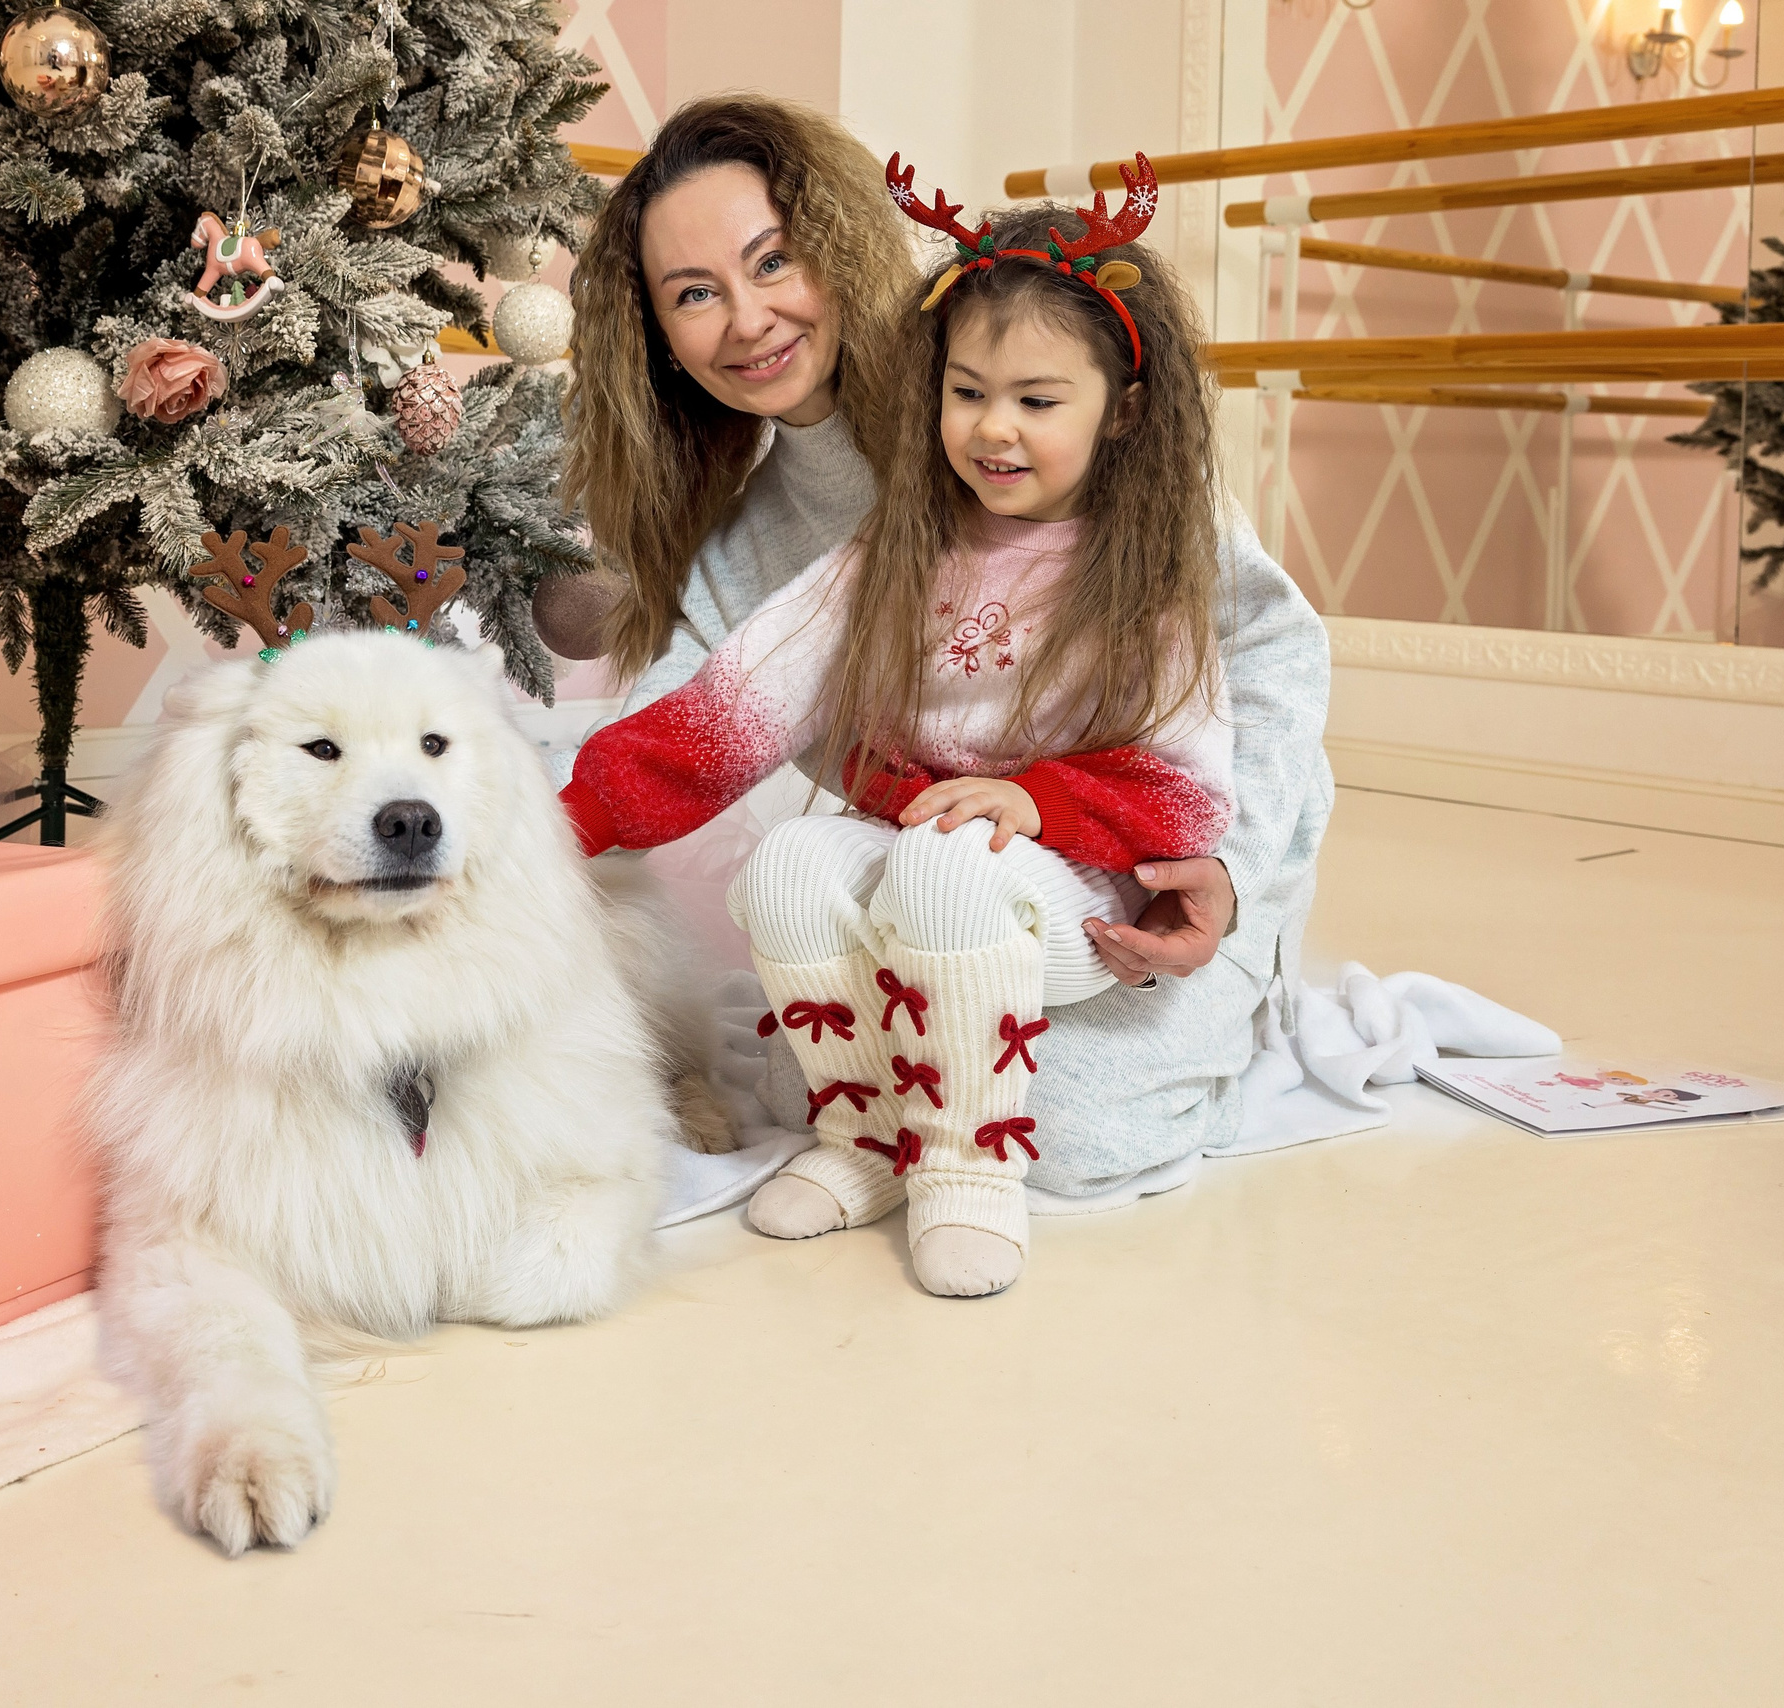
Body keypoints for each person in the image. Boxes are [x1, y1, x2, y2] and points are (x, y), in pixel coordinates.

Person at [557, 163, 1326, 1299]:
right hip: (937, 859)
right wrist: (561, 820)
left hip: (1091, 876)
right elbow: (732, 710)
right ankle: (869, 1146)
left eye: (771, 261)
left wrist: (1053, 810)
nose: (993, 430)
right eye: (967, 395)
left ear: (1120, 412)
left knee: (971, 914)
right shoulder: (896, 545)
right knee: (791, 865)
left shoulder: (1139, 558)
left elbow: (1184, 780)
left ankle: (964, 1168)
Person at [546, 95, 1294, 997]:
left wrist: (1232, 875)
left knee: (1071, 1131)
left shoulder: (1047, 404)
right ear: (658, 338)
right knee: (816, 1052)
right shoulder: (748, 556)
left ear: (839, 242)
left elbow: (1265, 649)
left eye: (773, 261)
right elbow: (681, 734)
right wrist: (509, 818)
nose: (747, 320)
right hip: (926, 871)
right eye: (696, 293)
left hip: (1148, 865)